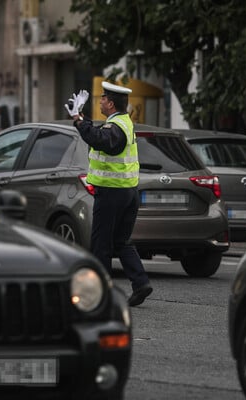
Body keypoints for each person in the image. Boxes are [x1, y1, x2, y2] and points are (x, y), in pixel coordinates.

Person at [65, 81, 153, 307]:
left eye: (103, 98)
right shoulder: (122, 122)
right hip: (128, 192)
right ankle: (141, 283)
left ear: (111, 103)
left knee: (101, 244)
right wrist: (82, 119)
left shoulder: (115, 127)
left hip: (112, 194)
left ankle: (100, 293)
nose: (100, 101)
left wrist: (78, 120)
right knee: (121, 241)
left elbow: (102, 141)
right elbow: (99, 134)